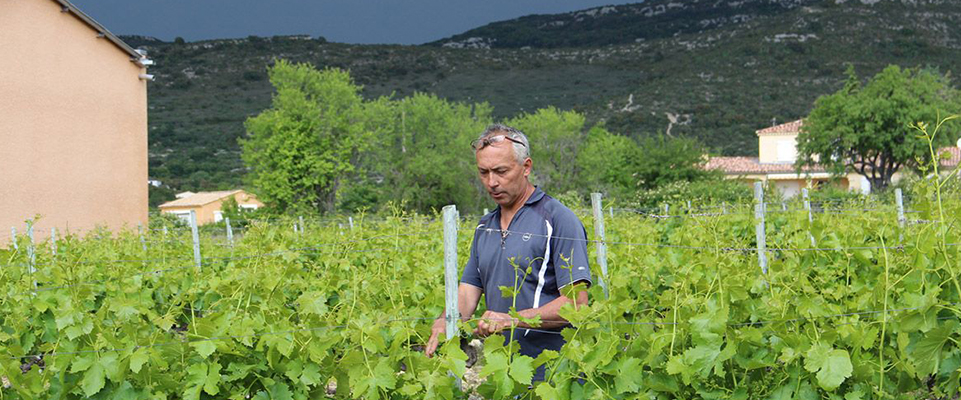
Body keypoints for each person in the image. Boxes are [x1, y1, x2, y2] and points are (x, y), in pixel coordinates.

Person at [424, 123, 592, 382]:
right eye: (483, 172)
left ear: (526, 167)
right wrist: (445, 321)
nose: (491, 182)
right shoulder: (485, 227)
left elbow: (576, 304)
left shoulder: (558, 221)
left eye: (501, 171)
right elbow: (468, 291)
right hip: (503, 374)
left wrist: (512, 319)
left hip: (552, 376)